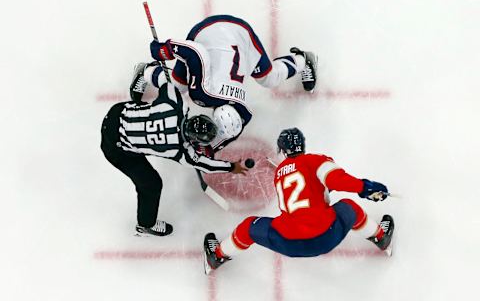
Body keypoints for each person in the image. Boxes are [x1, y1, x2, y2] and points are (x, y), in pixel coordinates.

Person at [202, 128, 395, 274]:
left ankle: (216, 257)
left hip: (288, 241)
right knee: (349, 207)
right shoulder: (315, 160)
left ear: (283, 151)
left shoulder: (279, 172)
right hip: (326, 236)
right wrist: (364, 187)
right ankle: (381, 239)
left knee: (248, 227)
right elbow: (335, 180)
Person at [131, 14, 318, 152]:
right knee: (178, 87)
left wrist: (209, 150)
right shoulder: (204, 93)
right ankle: (145, 71)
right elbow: (195, 52)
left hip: (242, 36)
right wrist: (165, 50)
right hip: (207, 32)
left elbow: (229, 133)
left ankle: (303, 60)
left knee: (269, 77)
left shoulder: (243, 113)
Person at [101, 81, 247, 237]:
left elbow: (167, 82)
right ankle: (145, 225)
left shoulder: (175, 104)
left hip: (117, 113)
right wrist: (232, 167)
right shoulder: (181, 152)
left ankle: (141, 78)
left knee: (147, 112)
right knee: (152, 184)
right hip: (115, 149)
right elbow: (207, 165)